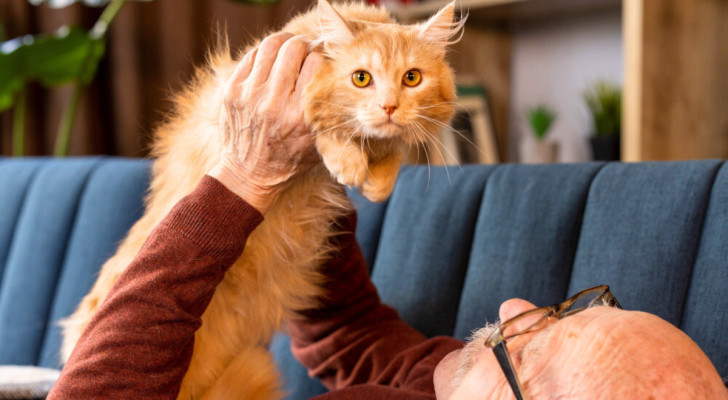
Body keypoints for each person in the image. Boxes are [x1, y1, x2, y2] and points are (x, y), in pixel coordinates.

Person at [48, 33, 728, 400]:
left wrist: (245, 175)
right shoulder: (455, 382)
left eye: (540, 340)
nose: (518, 303)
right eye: (575, 305)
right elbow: (345, 333)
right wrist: (303, 184)